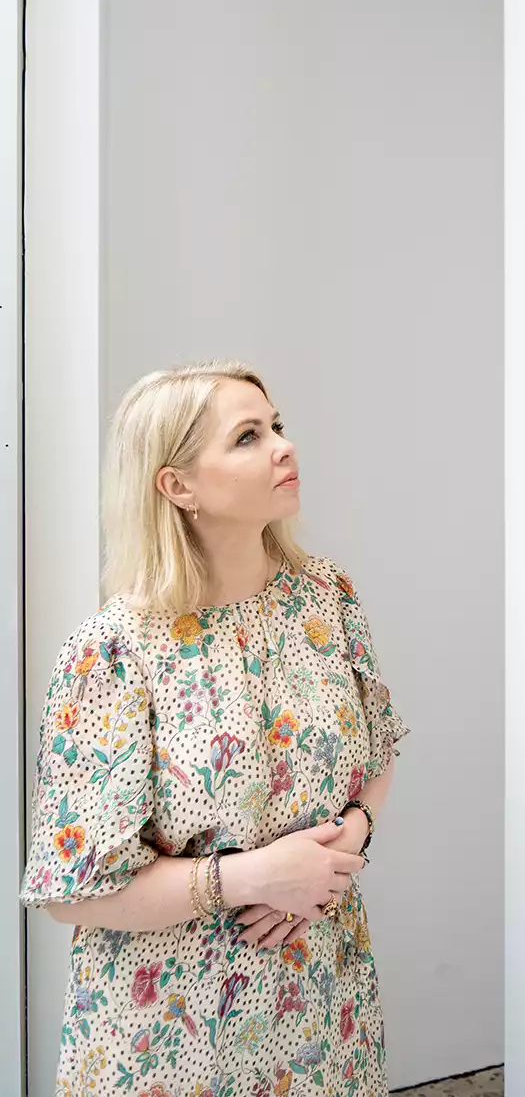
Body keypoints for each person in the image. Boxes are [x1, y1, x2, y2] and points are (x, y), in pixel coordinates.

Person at [20, 360, 410, 1097]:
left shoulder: (324, 596)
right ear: (177, 485)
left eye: (278, 427)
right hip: (171, 1034)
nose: (283, 447)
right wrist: (254, 878)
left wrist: (350, 835)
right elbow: (71, 891)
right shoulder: (114, 653)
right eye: (248, 436)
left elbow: (379, 749)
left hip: (321, 1006)